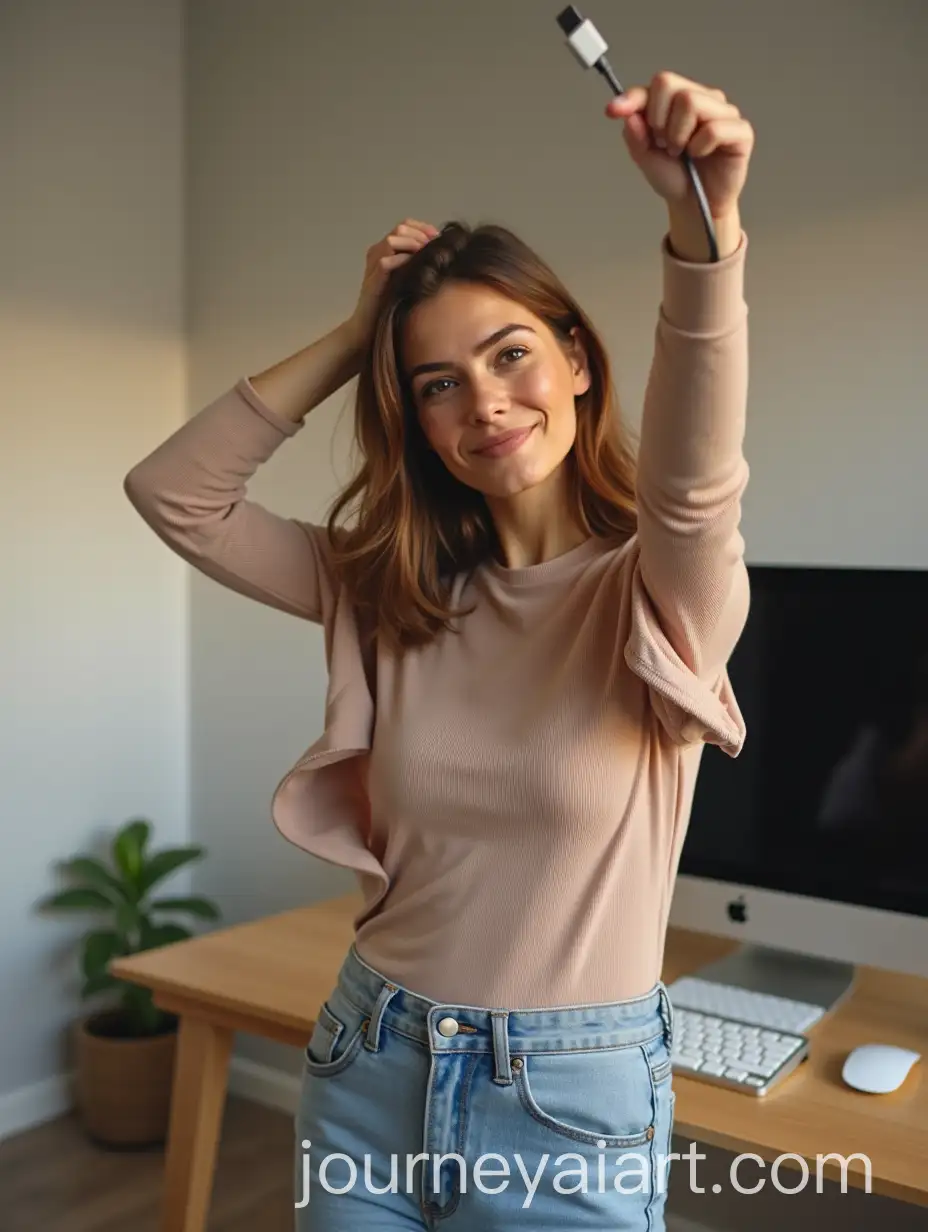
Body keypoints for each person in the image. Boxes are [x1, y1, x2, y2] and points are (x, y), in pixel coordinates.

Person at [124, 71, 754, 1230]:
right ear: (416, 418)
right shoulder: (389, 589)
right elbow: (175, 494)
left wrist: (699, 232)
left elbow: (693, 487)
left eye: (512, 355)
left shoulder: (660, 595)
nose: (485, 402)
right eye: (438, 384)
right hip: (370, 1055)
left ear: (576, 359)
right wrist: (356, 333)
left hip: (567, 1101)